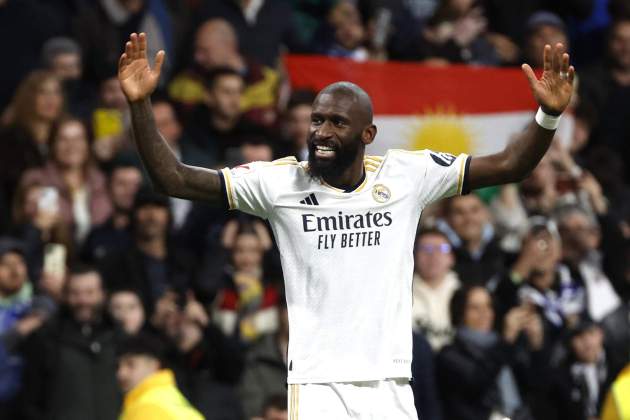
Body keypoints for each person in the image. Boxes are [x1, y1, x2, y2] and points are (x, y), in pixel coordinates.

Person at [118, 32, 575, 418]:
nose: (321, 131)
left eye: (337, 122)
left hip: (391, 383)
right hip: (317, 385)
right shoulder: (280, 183)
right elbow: (173, 177)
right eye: (317, 119)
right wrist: (140, 105)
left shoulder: (407, 176)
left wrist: (548, 115)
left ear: (367, 134)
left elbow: (512, 164)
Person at [19, 265, 121, 420]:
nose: (83, 300)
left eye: (89, 292)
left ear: (102, 294)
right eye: (75, 293)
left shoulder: (118, 337)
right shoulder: (46, 338)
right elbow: (31, 399)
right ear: (65, 295)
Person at [116, 332, 204, 420]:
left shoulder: (146, 408)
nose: (121, 373)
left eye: (130, 364)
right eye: (118, 366)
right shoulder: (169, 397)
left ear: (154, 365)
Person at [411, 228, 460, 351]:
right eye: (425, 249)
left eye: (442, 249)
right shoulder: (400, 293)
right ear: (413, 256)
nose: (433, 255)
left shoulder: (464, 294)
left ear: (451, 257)